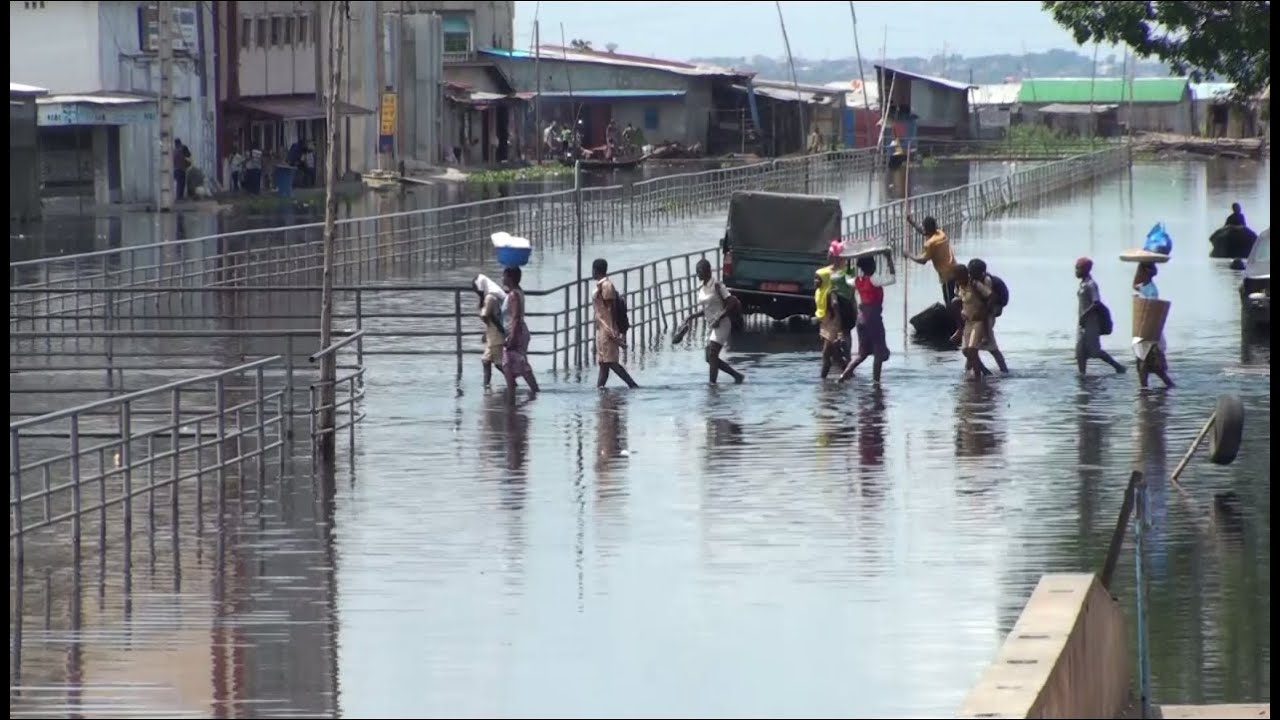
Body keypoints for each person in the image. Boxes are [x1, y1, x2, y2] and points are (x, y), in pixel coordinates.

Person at [677, 259, 746, 384]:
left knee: (713, 354)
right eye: (697, 272)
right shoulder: (702, 288)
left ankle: (712, 384)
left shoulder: (717, 285)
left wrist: (719, 317)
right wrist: (691, 316)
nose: (698, 274)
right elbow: (707, 309)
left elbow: (731, 302)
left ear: (708, 271)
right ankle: (737, 376)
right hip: (711, 325)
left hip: (722, 323)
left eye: (700, 271)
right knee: (709, 357)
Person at [839, 255, 891, 382]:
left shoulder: (858, 281)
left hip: (861, 320)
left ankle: (842, 377)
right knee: (879, 354)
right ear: (872, 266)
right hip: (873, 320)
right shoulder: (874, 280)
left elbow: (847, 279)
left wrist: (849, 264)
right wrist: (889, 259)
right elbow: (892, 278)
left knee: (862, 354)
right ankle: (876, 383)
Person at [591, 258, 640, 389]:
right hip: (601, 328)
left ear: (596, 270)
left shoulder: (607, 286)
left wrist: (612, 332)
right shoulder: (601, 285)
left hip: (607, 328)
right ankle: (600, 389)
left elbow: (610, 311)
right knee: (603, 363)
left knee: (611, 362)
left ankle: (633, 385)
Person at [1075, 257, 1126, 376]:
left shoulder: (1091, 284)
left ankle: (1118, 367)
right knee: (1080, 351)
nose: (1076, 271)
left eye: (1078, 268)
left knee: (1095, 351)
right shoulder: (1082, 284)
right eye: (1076, 268)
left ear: (1086, 269)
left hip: (1091, 323)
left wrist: (1084, 315)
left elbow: (1096, 302)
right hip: (1082, 323)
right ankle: (1082, 375)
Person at [963, 258, 1010, 374]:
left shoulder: (987, 281)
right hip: (975, 317)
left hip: (991, 311)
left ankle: (1003, 371)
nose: (972, 276)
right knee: (970, 349)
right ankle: (973, 369)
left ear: (982, 272)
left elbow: (992, 298)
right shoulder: (971, 281)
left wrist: (984, 312)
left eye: (975, 273)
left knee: (989, 347)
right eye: (970, 273)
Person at [1132, 262, 1175, 388]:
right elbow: (1134, 285)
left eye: (1141, 269)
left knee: (1145, 362)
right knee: (1144, 363)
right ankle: (1145, 390)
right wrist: (1140, 265)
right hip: (1142, 330)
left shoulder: (1152, 290)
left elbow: (1151, 310)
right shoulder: (1142, 286)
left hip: (1148, 330)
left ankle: (1144, 390)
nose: (1138, 272)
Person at [500, 266, 540, 398]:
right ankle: (531, 396)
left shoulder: (513, 295)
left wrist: (512, 338)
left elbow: (516, 317)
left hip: (516, 333)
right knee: (518, 364)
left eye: (504, 275)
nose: (502, 278)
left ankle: (513, 402)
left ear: (510, 278)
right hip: (518, 331)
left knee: (509, 365)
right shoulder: (517, 292)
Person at [905, 215, 960, 307]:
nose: (923, 229)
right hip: (956, 270)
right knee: (956, 298)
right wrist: (912, 222)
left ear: (927, 229)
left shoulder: (931, 243)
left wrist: (909, 255)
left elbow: (923, 260)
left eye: (924, 227)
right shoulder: (941, 233)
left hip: (947, 276)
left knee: (949, 302)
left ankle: (953, 315)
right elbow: (924, 232)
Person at [953, 264, 994, 380]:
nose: (958, 280)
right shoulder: (958, 286)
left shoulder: (975, 284)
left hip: (978, 322)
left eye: (960, 277)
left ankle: (977, 377)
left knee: (972, 350)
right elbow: (960, 300)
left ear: (966, 275)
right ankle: (984, 371)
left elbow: (991, 296)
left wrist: (983, 311)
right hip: (968, 322)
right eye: (956, 278)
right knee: (966, 351)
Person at [814, 249, 849, 380]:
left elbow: (836, 303)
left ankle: (822, 381)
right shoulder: (823, 273)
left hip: (833, 317)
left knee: (826, 354)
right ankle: (848, 374)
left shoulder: (839, 276)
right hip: (825, 318)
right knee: (836, 355)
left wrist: (839, 324)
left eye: (817, 279)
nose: (815, 282)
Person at [473, 274, 507, 388]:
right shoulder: (491, 297)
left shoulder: (490, 298)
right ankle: (486, 385)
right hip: (492, 334)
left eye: (476, 289)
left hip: (495, 335)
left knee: (498, 363)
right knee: (486, 360)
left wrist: (481, 309)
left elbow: (485, 315)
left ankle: (512, 381)